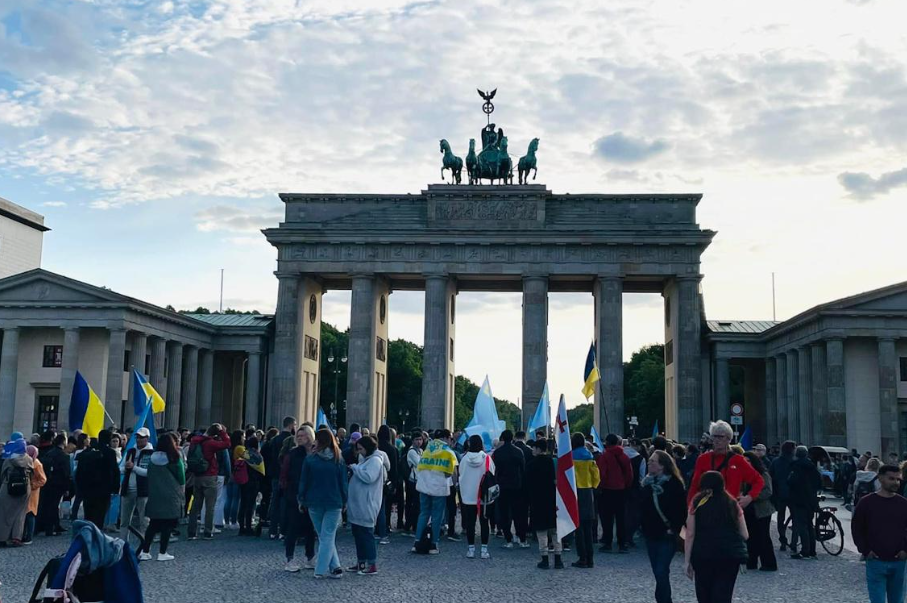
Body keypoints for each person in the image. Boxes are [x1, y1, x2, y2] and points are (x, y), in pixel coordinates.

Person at [684, 471, 748, 603]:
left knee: (704, 594)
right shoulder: (732, 503)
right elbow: (745, 534)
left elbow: (690, 534)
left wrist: (687, 561)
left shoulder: (697, 503)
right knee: (724, 594)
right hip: (728, 555)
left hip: (703, 554)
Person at [852, 464, 907, 603]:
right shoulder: (866, 502)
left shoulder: (903, 504)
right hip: (876, 560)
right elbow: (857, 528)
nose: (896, 482)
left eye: (898, 479)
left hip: (898, 561)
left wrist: (905, 550)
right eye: (891, 479)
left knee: (897, 600)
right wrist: (865, 550)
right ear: (881, 478)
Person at [299, 428, 348, 579]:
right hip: (334, 501)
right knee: (327, 535)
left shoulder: (310, 459)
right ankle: (335, 567)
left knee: (323, 535)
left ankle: (320, 570)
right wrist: (345, 500)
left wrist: (301, 499)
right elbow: (343, 483)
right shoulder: (338, 459)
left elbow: (303, 481)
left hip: (314, 501)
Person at [641, 450, 686, 603]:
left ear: (662, 465)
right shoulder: (647, 484)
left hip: (667, 534)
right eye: (649, 461)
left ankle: (665, 600)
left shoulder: (674, 484)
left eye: (653, 461)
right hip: (650, 534)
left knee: (661, 570)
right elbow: (642, 508)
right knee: (658, 571)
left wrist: (674, 528)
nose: (649, 463)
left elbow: (681, 510)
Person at [687, 421, 763, 507]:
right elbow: (694, 485)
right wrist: (691, 509)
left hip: (730, 509)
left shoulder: (738, 460)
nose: (717, 440)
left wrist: (749, 498)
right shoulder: (703, 459)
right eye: (714, 436)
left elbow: (758, 480)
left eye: (720, 437)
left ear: (728, 439)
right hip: (707, 509)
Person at [139, 433, 185, 561]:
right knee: (167, 526)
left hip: (155, 494)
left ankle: (145, 551)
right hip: (171, 495)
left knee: (153, 525)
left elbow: (148, 474)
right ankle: (162, 552)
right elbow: (181, 479)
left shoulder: (152, 459)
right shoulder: (175, 458)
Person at [413, 429, 458, 555]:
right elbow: (449, 473)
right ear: (446, 438)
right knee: (437, 516)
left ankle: (417, 541)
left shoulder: (427, 450)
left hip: (423, 485)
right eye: (450, 438)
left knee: (423, 514)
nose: (451, 441)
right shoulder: (448, 452)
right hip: (438, 487)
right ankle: (433, 543)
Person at [347, 434, 387, 575]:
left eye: (361, 449)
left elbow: (369, 477)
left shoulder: (375, 461)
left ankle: (372, 564)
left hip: (367, 504)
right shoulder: (366, 460)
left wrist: (356, 469)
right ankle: (361, 562)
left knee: (366, 534)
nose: (359, 452)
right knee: (358, 533)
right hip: (359, 504)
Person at [187, 423, 230, 540]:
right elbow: (227, 443)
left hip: (197, 475)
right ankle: (207, 531)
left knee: (196, 505)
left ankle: (192, 532)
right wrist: (222, 432)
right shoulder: (210, 443)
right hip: (210, 475)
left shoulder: (194, 441)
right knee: (210, 506)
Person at [283, 426, 316, 572]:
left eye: (303, 435)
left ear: (310, 436)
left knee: (310, 527)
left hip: (311, 494)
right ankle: (289, 558)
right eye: (298, 435)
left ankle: (310, 556)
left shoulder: (315, 453)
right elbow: (285, 475)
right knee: (293, 527)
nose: (300, 437)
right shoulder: (292, 454)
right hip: (294, 494)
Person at [596, 432, 634, 553]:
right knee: (621, 518)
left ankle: (607, 543)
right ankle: (622, 543)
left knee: (607, 519)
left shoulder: (605, 456)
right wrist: (626, 486)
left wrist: (600, 486)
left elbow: (601, 473)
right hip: (621, 490)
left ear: (607, 443)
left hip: (607, 490)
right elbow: (629, 474)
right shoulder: (624, 456)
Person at [526, 438, 561, 569]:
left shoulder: (531, 464)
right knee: (555, 531)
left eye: (534, 448)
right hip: (552, 499)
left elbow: (527, 483)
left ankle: (544, 558)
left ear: (538, 449)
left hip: (537, 500)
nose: (533, 451)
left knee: (541, 532)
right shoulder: (553, 462)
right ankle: (558, 558)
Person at [458, 435, 494, 560]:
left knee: (470, 524)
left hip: (468, 496)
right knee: (485, 523)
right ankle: (484, 549)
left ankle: (471, 549)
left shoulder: (464, 459)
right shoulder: (487, 459)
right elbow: (492, 474)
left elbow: (461, 475)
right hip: (484, 497)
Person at [76, 430, 120, 529]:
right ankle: (96, 537)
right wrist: (115, 488)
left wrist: (79, 487)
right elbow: (115, 471)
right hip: (103, 490)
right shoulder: (110, 453)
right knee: (99, 517)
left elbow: (79, 471)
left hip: (87, 489)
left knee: (88, 516)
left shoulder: (87, 452)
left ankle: (88, 536)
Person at [492, 429, 528, 549]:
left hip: (502, 485)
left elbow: (494, 470)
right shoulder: (518, 452)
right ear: (512, 438)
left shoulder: (497, 453)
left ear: (502, 438)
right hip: (517, 486)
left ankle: (508, 539)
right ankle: (521, 537)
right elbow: (523, 469)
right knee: (519, 513)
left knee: (504, 513)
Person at [742, 451, 776, 571]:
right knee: (750, 537)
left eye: (748, 461)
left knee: (763, 537)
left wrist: (752, 496)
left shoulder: (763, 474)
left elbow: (768, 491)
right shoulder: (745, 474)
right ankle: (751, 562)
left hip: (762, 510)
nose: (746, 463)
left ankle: (769, 563)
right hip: (748, 510)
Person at [264, 416, 296, 540]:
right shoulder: (291, 440)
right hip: (286, 476)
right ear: (291, 425)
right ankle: (283, 530)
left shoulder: (275, 439)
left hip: (275, 474)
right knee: (285, 503)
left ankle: (272, 530)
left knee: (275, 502)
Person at [572, 432, 601, 569]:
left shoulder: (571, 457)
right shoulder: (590, 455)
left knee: (578, 527)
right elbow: (596, 475)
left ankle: (582, 557)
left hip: (576, 491)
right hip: (588, 491)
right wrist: (593, 486)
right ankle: (590, 558)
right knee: (588, 527)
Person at [787, 445, 821, 560]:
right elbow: (819, 482)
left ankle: (805, 551)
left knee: (802, 526)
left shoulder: (796, 466)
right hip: (811, 500)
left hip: (799, 499)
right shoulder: (812, 466)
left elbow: (792, 481)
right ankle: (812, 550)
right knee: (810, 525)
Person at [120, 427, 154, 539]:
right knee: (124, 520)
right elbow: (121, 469)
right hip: (128, 489)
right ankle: (123, 544)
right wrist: (125, 468)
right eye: (137, 437)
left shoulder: (151, 453)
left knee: (144, 520)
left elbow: (148, 473)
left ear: (147, 439)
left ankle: (145, 545)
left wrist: (133, 467)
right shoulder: (131, 451)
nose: (139, 440)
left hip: (143, 490)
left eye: (142, 437)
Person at [0, 435, 33, 546]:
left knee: (5, 513)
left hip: (8, 487)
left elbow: (2, 474)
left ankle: (3, 537)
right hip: (25, 487)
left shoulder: (9, 459)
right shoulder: (29, 459)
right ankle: (16, 537)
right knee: (20, 513)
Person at [37, 432, 70, 537]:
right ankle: (51, 528)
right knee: (54, 506)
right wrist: (67, 487)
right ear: (64, 442)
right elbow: (66, 473)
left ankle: (51, 526)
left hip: (48, 482)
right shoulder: (64, 456)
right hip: (58, 484)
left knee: (48, 505)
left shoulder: (49, 453)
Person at [769, 440, 796, 551]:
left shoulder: (776, 462)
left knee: (781, 518)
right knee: (795, 518)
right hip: (793, 494)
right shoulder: (795, 462)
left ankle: (783, 540)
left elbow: (771, 477)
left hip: (780, 494)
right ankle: (794, 543)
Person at [376, 425, 398, 544]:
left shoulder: (376, 447)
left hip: (375, 481)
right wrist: (394, 484)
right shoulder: (392, 449)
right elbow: (393, 468)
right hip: (386, 481)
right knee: (385, 507)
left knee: (377, 507)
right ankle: (385, 528)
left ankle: (377, 529)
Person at [22, 444, 46, 544]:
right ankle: (25, 535)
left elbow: (43, 479)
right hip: (28, 491)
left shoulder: (36, 463)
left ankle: (29, 537)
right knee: (26, 514)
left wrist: (32, 485)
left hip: (33, 492)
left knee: (30, 513)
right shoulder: (29, 462)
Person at [404, 431, 423, 534]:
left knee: (416, 504)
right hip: (413, 480)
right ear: (412, 441)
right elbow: (420, 464)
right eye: (417, 439)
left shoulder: (420, 451)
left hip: (419, 480)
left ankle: (413, 524)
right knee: (414, 504)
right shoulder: (412, 451)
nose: (419, 442)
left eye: (420, 439)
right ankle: (410, 525)